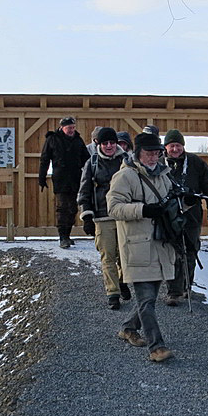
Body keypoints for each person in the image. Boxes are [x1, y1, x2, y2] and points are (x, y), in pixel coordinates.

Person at [107, 132, 176, 362]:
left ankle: (128, 328)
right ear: (137, 154)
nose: (153, 157)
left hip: (159, 246)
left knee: (149, 299)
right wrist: (143, 210)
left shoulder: (164, 176)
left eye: (157, 152)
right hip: (137, 247)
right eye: (149, 153)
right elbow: (114, 208)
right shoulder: (124, 176)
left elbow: (170, 202)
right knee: (146, 301)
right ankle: (157, 347)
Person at [77, 127, 132, 309]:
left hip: (124, 214)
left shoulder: (127, 161)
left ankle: (123, 281)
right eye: (105, 143)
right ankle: (113, 292)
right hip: (102, 215)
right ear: (98, 144)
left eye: (112, 142)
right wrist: (86, 216)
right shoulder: (91, 163)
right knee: (107, 255)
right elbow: (84, 190)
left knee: (125, 254)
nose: (109, 146)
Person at [163, 129, 208, 306]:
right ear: (166, 147)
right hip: (168, 215)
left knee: (191, 250)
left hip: (192, 213)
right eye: (172, 146)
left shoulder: (195, 163)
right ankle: (174, 291)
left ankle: (187, 286)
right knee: (173, 252)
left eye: (178, 145)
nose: (175, 149)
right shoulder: (159, 164)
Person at [38, 116, 90, 248]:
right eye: (69, 128)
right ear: (62, 127)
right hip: (60, 178)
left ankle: (67, 234)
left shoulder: (78, 140)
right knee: (62, 207)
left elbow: (86, 159)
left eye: (73, 127)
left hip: (75, 178)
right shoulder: (53, 139)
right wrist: (42, 177)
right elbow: (45, 159)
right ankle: (63, 237)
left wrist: (91, 175)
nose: (72, 130)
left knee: (73, 208)